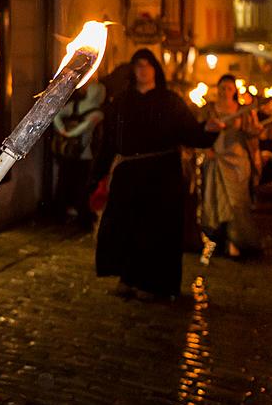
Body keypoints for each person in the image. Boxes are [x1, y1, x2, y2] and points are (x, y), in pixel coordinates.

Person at [91, 48, 222, 301]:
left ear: (155, 69)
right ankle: (128, 277)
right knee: (128, 227)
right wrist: (97, 173)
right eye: (138, 65)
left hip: (162, 176)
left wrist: (209, 130)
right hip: (130, 174)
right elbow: (108, 141)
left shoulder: (170, 101)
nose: (142, 70)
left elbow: (190, 132)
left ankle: (154, 284)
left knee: (156, 231)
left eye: (147, 65)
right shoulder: (121, 102)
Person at [198, 74, 263, 263]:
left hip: (236, 162)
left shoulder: (244, 111)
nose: (225, 91)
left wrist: (254, 130)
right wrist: (206, 148)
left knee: (236, 202)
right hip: (215, 159)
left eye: (229, 88)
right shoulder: (208, 110)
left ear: (234, 91)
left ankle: (236, 241)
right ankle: (218, 238)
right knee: (216, 200)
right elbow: (199, 131)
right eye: (222, 87)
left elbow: (251, 133)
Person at [52, 80, 105, 230]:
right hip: (83, 152)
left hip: (67, 151)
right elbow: (86, 126)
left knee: (64, 180)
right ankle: (81, 217)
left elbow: (56, 113)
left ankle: (61, 213)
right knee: (81, 184)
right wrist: (70, 133)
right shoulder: (97, 112)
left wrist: (62, 130)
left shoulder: (76, 106)